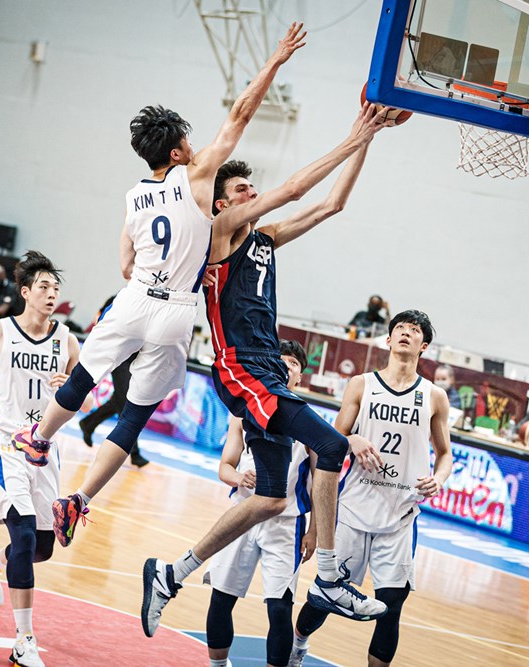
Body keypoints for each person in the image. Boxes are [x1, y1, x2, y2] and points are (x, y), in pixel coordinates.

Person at [11, 23, 309, 550]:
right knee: (134, 417)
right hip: (175, 311)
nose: (196, 146)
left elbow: (125, 260)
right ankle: (78, 500)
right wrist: (276, 61)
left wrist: (141, 268)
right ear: (175, 153)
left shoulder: (132, 196)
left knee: (82, 378)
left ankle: (37, 441)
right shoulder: (194, 179)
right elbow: (240, 114)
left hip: (134, 298)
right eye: (188, 141)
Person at [141, 100, 398, 638]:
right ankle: (328, 577)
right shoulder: (221, 231)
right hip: (242, 368)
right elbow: (296, 189)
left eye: (250, 189)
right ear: (220, 203)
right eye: (241, 190)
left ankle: (172, 573)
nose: (251, 194)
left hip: (267, 373)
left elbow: (332, 204)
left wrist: (367, 139)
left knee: (273, 496)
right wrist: (353, 133)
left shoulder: (265, 238)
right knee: (331, 446)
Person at [0, 251, 84, 667]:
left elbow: (85, 396)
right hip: (7, 444)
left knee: (41, 547)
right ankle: (24, 639)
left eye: (55, 288)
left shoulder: (68, 340)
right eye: (43, 286)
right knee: (22, 538)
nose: (51, 293)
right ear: (25, 292)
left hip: (46, 448)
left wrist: (70, 387)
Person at [289, 310, 453, 666]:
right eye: (400, 329)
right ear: (389, 340)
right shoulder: (362, 385)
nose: (406, 333)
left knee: (391, 607)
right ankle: (298, 644)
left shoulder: (434, 396)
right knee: (324, 598)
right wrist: (353, 440)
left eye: (414, 331)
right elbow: (327, 441)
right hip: (353, 510)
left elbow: (445, 456)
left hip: (400, 516)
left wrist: (438, 479)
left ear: (423, 346)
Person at [204, 340, 315, 667]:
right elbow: (225, 465)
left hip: (285, 523)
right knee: (221, 599)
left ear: (300, 377)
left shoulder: (309, 422)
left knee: (279, 608)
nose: (285, 364)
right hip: (243, 515)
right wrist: (238, 478)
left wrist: (316, 532)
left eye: (293, 362)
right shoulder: (243, 411)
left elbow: (321, 483)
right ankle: (218, 665)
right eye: (280, 359)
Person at [77, 296, 149, 467]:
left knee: (118, 400)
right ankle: (135, 453)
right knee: (126, 402)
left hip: (136, 356)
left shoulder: (152, 300)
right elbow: (100, 316)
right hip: (119, 354)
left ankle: (88, 424)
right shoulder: (122, 296)